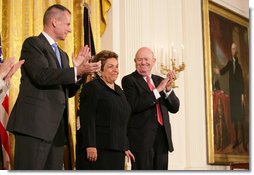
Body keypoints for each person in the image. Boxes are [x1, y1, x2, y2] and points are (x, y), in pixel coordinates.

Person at [6, 4, 101, 170]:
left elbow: (68, 92)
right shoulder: (33, 44)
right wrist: (75, 70)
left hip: (56, 132)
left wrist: (79, 74)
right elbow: (41, 76)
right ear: (55, 22)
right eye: (68, 24)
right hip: (34, 128)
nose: (70, 30)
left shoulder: (63, 56)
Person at [121, 47, 180, 170]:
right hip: (141, 140)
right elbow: (134, 105)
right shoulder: (129, 80)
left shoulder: (159, 80)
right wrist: (158, 90)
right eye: (139, 59)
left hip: (162, 139)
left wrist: (168, 89)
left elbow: (174, 108)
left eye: (146, 59)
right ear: (134, 61)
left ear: (153, 61)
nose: (143, 62)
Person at [76, 50, 135, 170]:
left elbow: (122, 120)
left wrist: (125, 146)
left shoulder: (119, 90)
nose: (116, 70)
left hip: (117, 150)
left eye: (117, 66)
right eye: (110, 66)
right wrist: (90, 145)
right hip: (97, 150)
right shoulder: (92, 87)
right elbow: (87, 118)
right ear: (99, 70)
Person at [214, 42, 246, 151]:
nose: (233, 51)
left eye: (234, 49)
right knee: (234, 118)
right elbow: (224, 70)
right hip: (233, 95)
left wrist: (242, 95)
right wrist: (218, 71)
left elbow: (241, 81)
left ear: (236, 51)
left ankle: (244, 143)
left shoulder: (239, 66)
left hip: (238, 95)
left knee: (241, 118)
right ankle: (237, 140)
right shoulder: (229, 62)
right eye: (232, 49)